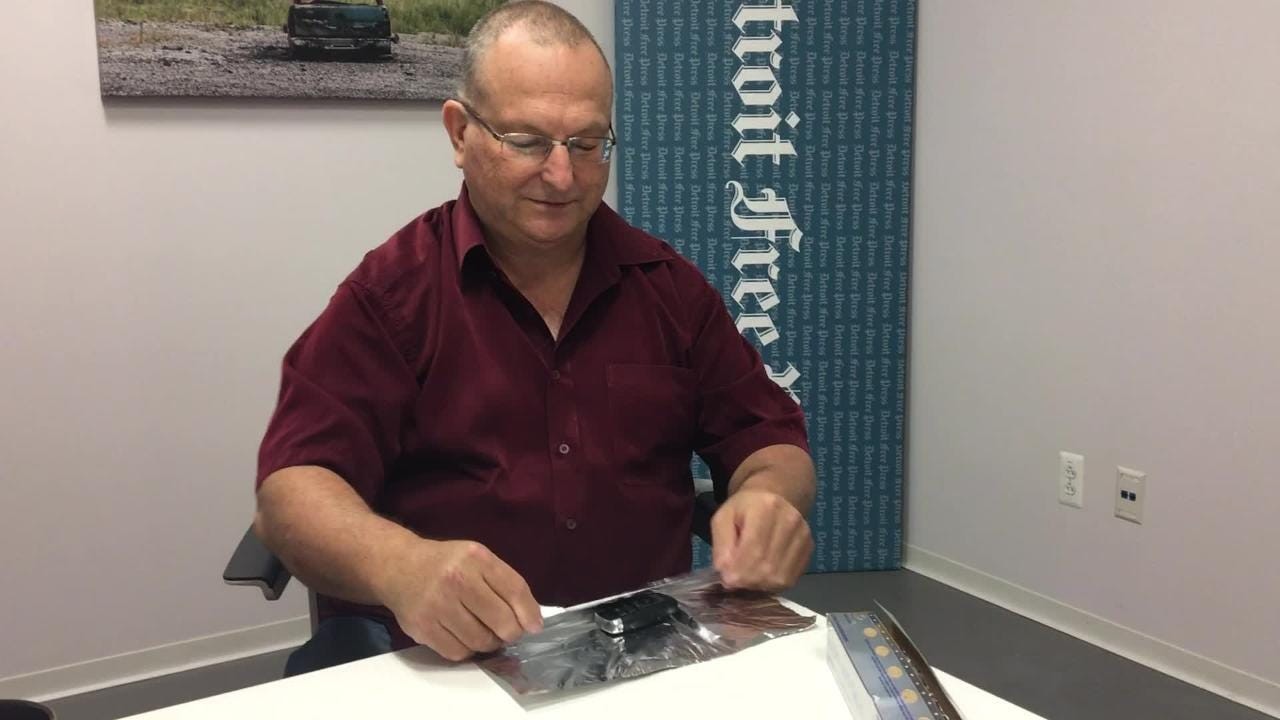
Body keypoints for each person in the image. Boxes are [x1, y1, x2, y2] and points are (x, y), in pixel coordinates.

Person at [254, 0, 816, 675]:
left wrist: (767, 499)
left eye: (587, 143)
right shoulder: (391, 297)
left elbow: (772, 444)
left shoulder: (669, 290)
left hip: (638, 656)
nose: (562, 175)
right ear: (460, 133)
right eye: (527, 142)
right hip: (449, 662)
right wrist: (397, 564)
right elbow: (291, 491)